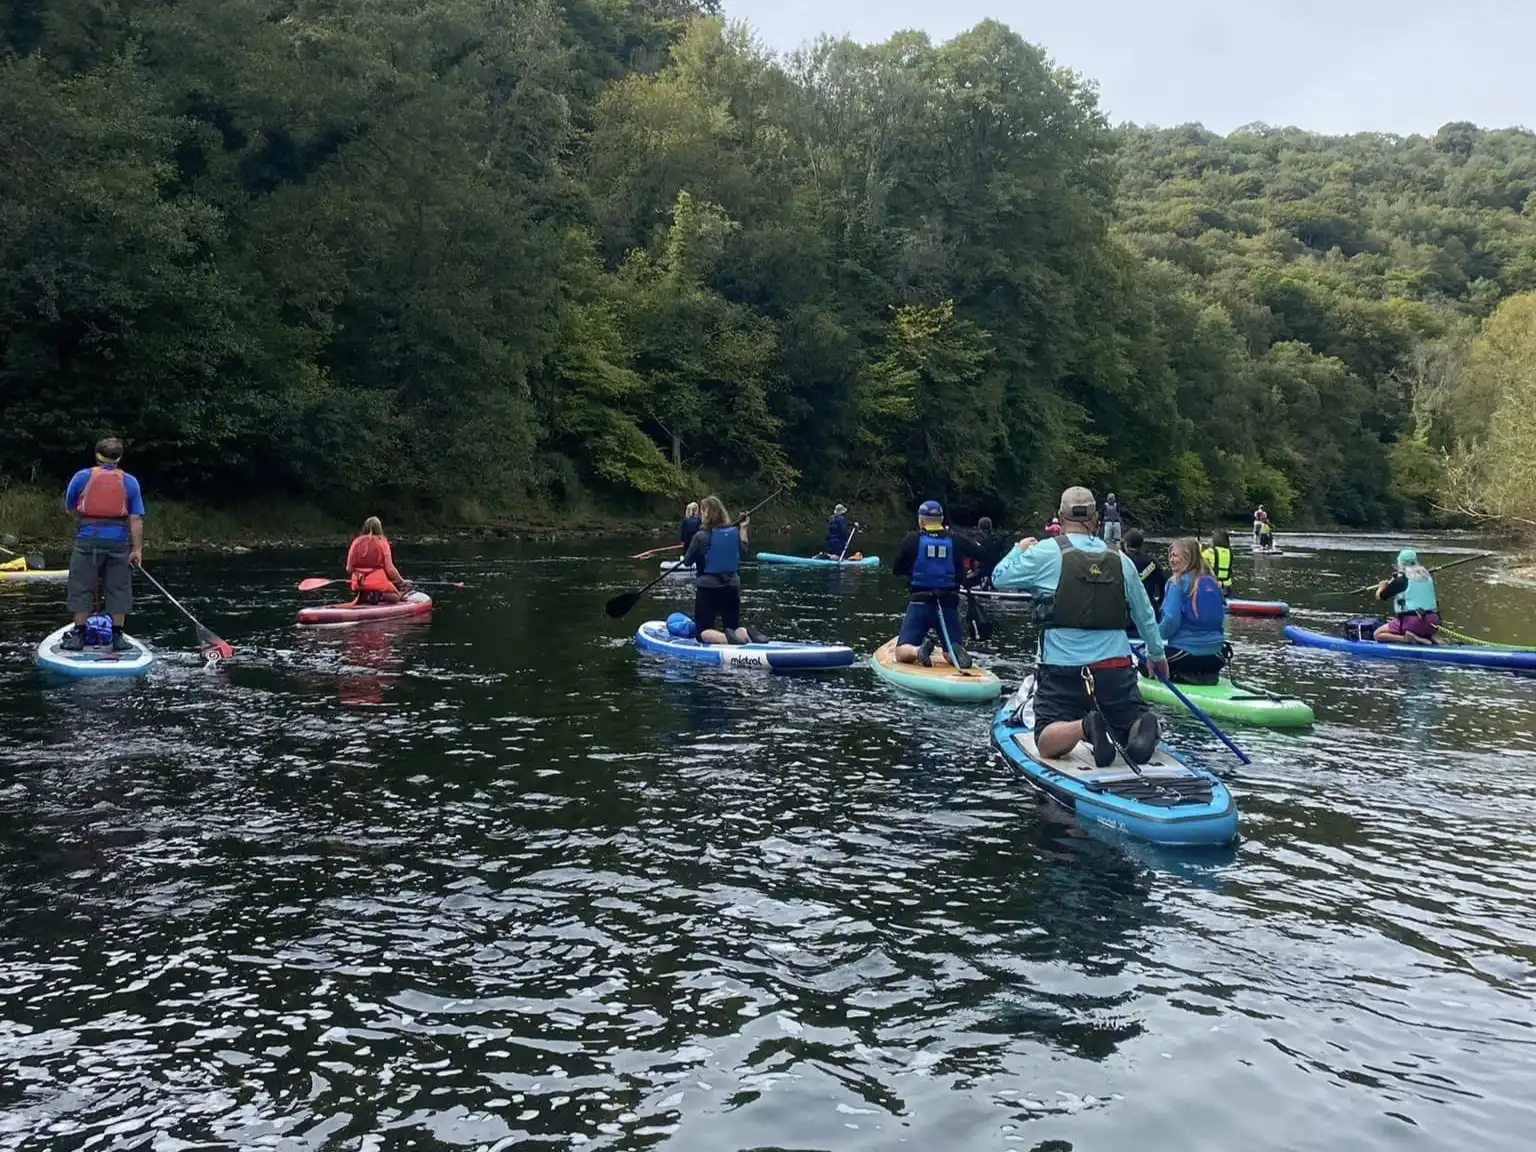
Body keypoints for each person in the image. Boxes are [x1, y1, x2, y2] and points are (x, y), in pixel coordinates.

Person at [992, 486, 1167, 767]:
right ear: (1097, 518)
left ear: (1060, 517)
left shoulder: (1045, 553)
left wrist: (1018, 549)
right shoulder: (1121, 559)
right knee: (1127, 717)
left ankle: (1084, 727)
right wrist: (1157, 656)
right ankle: (1139, 723)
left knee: (1047, 743)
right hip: (1115, 670)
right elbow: (1145, 613)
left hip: (1063, 670)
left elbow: (998, 579)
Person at [61, 437, 145, 652]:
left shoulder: (82, 477)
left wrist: (83, 522)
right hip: (118, 542)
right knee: (119, 587)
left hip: (87, 539)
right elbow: (135, 519)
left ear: (97, 456)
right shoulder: (130, 481)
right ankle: (117, 637)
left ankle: (78, 635)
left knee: (81, 586)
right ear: (119, 458)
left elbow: (70, 506)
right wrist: (136, 550)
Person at [891, 500, 985, 668]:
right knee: (949, 654)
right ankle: (954, 651)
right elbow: (981, 554)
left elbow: (897, 570)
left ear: (921, 519)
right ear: (941, 519)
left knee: (901, 653)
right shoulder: (956, 539)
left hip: (920, 602)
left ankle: (918, 650)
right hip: (948, 602)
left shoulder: (911, 540)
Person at [680, 495, 762, 644]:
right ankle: (746, 634)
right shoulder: (733, 532)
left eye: (702, 511)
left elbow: (687, 561)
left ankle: (727, 639)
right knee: (732, 626)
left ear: (708, 514)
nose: (700, 515)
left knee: (702, 632)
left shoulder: (701, 536)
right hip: (732, 586)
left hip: (708, 588)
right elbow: (744, 551)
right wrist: (743, 528)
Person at [1157, 537, 1229, 683]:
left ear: (1188, 557)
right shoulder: (1213, 582)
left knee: (1144, 660)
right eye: (1170, 555)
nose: (1171, 560)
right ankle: (1202, 676)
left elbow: (1171, 621)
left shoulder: (1176, 582)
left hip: (1185, 656)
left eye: (1175, 555)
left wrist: (1154, 638)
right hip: (1216, 657)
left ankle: (1183, 676)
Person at [1374, 548, 1439, 644]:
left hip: (1414, 623)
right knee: (1396, 621)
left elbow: (1381, 596)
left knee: (1377, 634)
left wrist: (1381, 587)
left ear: (1400, 563)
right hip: (1433, 622)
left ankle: (1406, 639)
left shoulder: (1402, 580)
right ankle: (1424, 638)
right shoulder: (1427, 577)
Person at [347, 517, 409, 604]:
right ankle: (380, 594)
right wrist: (401, 581)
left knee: (368, 588)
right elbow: (390, 569)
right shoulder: (382, 541)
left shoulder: (356, 542)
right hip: (378, 581)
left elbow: (349, 569)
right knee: (395, 597)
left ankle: (369, 594)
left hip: (358, 582)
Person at [1122, 528, 1166, 631]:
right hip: (1149, 613)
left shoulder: (1121, 561)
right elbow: (1163, 586)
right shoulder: (1152, 563)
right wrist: (1159, 603)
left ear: (1126, 544)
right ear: (1142, 545)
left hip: (1126, 617)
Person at [1202, 529, 1234, 595]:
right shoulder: (1230, 552)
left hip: (1213, 585)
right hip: (1227, 586)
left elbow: (1197, 559)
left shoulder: (1209, 552)